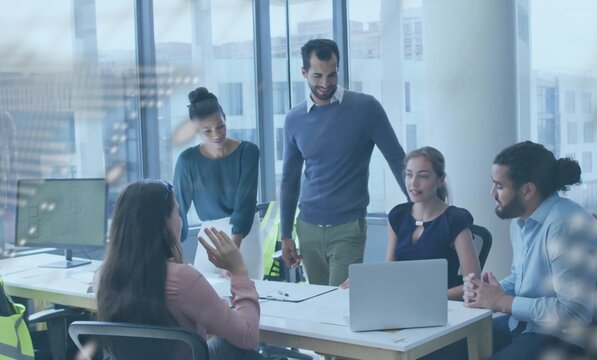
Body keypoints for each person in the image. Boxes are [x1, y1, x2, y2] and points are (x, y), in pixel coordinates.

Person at [463, 141, 597, 359]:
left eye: (499, 186)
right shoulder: (520, 222)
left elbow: (574, 313)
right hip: (532, 325)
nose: (492, 192)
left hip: (574, 337)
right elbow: (524, 278)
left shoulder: (563, 226)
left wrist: (503, 302)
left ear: (528, 190)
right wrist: (487, 292)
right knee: (452, 347)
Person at [280, 38, 407, 286]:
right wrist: (286, 234)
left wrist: (419, 206)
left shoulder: (366, 108)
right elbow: (289, 179)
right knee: (317, 305)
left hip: (348, 228)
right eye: (317, 76)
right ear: (304, 73)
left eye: (332, 75)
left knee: (341, 305)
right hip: (307, 227)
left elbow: (396, 158)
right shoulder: (294, 119)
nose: (325, 83)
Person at [96, 180, 261, 360]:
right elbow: (249, 336)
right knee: (237, 346)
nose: (180, 220)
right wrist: (239, 271)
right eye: (177, 212)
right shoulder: (183, 279)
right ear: (163, 223)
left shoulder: (103, 276)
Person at [173, 87, 261, 277]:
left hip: (243, 237)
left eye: (220, 126)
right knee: (204, 300)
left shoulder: (248, 152)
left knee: (246, 298)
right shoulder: (187, 161)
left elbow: (244, 207)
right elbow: (177, 210)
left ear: (225, 117)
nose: (216, 135)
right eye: (207, 131)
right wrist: (173, 257)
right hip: (209, 238)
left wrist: (231, 258)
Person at [384, 147, 480, 300]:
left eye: (423, 176)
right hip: (403, 302)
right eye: (409, 175)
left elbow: (474, 284)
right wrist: (365, 281)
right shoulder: (398, 216)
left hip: (443, 306)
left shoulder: (454, 221)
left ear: (440, 180)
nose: (413, 183)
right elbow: (389, 272)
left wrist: (429, 297)